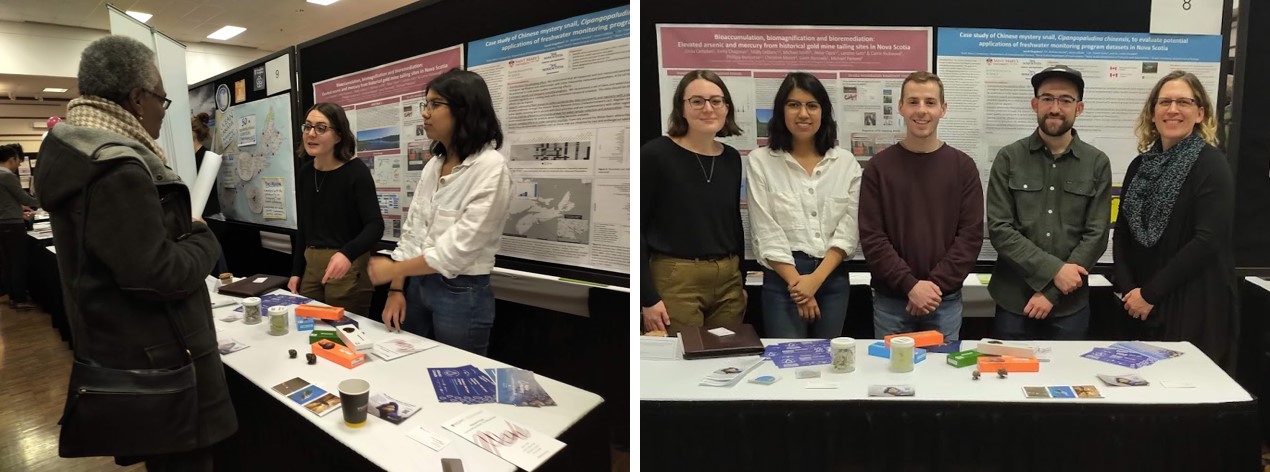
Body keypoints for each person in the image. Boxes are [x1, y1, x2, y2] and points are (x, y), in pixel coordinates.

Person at [34, 35, 235, 470]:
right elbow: (156, 273)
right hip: (166, 363)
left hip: (135, 353)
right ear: (138, 98)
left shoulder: (72, 149)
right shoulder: (117, 168)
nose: (164, 111)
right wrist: (203, 237)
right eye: (162, 99)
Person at [367, 69, 511, 356]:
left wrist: (395, 270)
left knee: (458, 374)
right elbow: (413, 231)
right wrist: (397, 289)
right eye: (425, 104)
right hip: (418, 284)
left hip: (461, 292)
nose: (425, 114)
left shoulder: (491, 168)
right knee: (406, 360)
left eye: (435, 104)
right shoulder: (434, 164)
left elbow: (456, 251)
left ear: (464, 110)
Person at [1113, 70, 1235, 366]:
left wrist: (1150, 294)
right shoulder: (1139, 166)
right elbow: (1123, 234)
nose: (1173, 109)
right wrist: (1130, 291)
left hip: (1192, 308)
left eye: (1183, 102)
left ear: (1199, 113)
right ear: (1152, 112)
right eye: (1164, 102)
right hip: (1138, 307)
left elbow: (1206, 241)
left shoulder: (1211, 164)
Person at [987, 65, 1112, 340]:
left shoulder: (1097, 163)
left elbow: (1097, 235)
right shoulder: (1009, 158)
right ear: (1035, 104)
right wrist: (1055, 271)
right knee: (1005, 380)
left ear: (1079, 108)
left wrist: (1052, 292)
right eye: (1048, 98)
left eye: (1066, 100)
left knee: (1065, 381)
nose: (1056, 107)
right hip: (1014, 301)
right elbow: (1000, 230)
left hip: (1070, 305)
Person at [859, 71, 983, 341]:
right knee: (889, 380)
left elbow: (970, 236)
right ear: (901, 107)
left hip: (944, 301)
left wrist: (932, 287)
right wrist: (910, 285)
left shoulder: (963, 168)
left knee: (942, 379)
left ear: (943, 109)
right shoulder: (879, 168)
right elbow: (872, 237)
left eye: (930, 102)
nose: (922, 110)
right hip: (891, 302)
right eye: (913, 102)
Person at [745, 72, 862, 339]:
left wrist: (815, 281)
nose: (803, 113)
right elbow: (766, 231)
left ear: (824, 112)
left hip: (831, 277)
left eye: (812, 105)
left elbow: (848, 229)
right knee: (788, 361)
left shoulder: (845, 163)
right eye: (793, 105)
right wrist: (800, 286)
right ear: (781, 111)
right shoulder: (760, 161)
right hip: (783, 278)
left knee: (829, 362)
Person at [640, 70, 746, 335]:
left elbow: (732, 221)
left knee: (724, 360)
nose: (708, 108)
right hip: (676, 277)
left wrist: (740, 280)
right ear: (682, 108)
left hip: (728, 279)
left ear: (726, 108)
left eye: (715, 101)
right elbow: (636, 229)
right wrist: (648, 298)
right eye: (697, 101)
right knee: (680, 361)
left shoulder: (731, 158)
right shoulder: (656, 155)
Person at [289, 102, 384, 319]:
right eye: (308, 127)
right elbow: (304, 226)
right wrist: (296, 271)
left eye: (321, 128)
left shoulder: (356, 172)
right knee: (308, 327)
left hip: (346, 266)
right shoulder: (305, 173)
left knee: (343, 334)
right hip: (312, 264)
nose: (311, 134)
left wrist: (347, 253)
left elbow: (375, 225)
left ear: (338, 136)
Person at [0, 143, 38, 310]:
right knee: (18, 262)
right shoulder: (7, 176)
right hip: (11, 225)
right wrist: (48, 201)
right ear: (12, 159)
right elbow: (24, 198)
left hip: (3, 224)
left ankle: (14, 296)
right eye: (18, 161)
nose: (19, 165)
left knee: (8, 262)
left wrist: (18, 207)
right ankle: (21, 299)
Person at [191, 112, 228, 275]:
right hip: (202, 217)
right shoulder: (192, 158)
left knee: (215, 265)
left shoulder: (205, 158)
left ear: (192, 134)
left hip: (211, 218)